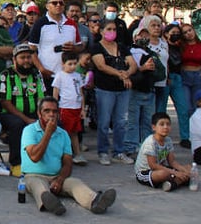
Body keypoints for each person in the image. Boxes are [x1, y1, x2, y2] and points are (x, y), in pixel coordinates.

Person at [21, 96, 117, 216]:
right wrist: (48, 133)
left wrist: (60, 180)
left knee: (75, 183)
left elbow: (67, 162)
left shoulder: (63, 134)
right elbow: (35, 157)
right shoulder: (29, 130)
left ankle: (95, 202)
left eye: (55, 111)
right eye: (47, 111)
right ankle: (52, 203)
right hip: (33, 175)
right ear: (39, 114)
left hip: (56, 176)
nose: (51, 115)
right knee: (38, 186)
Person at [0, 44, 47, 177]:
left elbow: (41, 99)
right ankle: (16, 163)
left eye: (29, 57)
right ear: (14, 60)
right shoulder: (5, 75)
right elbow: (5, 102)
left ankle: (46, 161)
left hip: (32, 112)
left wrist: (41, 116)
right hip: (9, 114)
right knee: (18, 124)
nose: (26, 61)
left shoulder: (36, 74)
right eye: (22, 57)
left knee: (52, 122)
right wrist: (27, 119)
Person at [91, 18, 137, 166]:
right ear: (102, 31)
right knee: (104, 122)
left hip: (123, 90)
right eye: (109, 29)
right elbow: (101, 66)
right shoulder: (96, 47)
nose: (112, 32)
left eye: (114, 29)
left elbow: (133, 65)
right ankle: (103, 151)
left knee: (121, 122)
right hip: (105, 89)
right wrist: (121, 74)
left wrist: (127, 74)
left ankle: (119, 151)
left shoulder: (122, 47)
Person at [28, 0, 81, 84]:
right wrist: (42, 69)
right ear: (47, 6)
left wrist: (74, 48)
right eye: (54, 3)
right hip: (48, 75)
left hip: (68, 75)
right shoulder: (40, 24)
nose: (58, 5)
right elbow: (31, 49)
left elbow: (80, 46)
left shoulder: (72, 24)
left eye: (61, 3)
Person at [124, 27, 159, 157]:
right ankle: (130, 147)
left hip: (149, 90)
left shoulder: (151, 53)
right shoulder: (129, 52)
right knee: (132, 121)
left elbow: (159, 72)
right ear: (135, 37)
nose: (144, 38)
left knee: (148, 121)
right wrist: (142, 68)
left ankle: (147, 147)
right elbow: (127, 71)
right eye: (141, 35)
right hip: (134, 90)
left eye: (146, 35)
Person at [134, 112, 191, 191]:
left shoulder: (168, 140)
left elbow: (172, 162)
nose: (165, 127)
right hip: (146, 172)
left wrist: (185, 171)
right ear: (154, 127)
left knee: (189, 169)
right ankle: (176, 181)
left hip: (161, 168)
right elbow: (153, 165)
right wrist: (175, 173)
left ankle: (172, 184)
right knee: (164, 174)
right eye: (162, 124)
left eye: (168, 124)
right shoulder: (150, 142)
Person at [51, 51, 87, 165]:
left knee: (74, 132)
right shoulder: (60, 76)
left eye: (74, 64)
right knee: (64, 132)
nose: (72, 66)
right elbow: (55, 93)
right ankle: (63, 155)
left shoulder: (77, 76)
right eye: (70, 64)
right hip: (65, 108)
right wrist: (55, 109)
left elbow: (81, 93)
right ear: (63, 63)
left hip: (76, 108)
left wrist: (82, 109)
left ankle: (77, 154)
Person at [180, 23, 201, 123]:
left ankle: (195, 129)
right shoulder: (181, 46)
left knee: (196, 105)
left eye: (190, 30)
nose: (188, 33)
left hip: (198, 75)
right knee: (187, 106)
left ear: (194, 30)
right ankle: (187, 128)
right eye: (185, 32)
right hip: (184, 75)